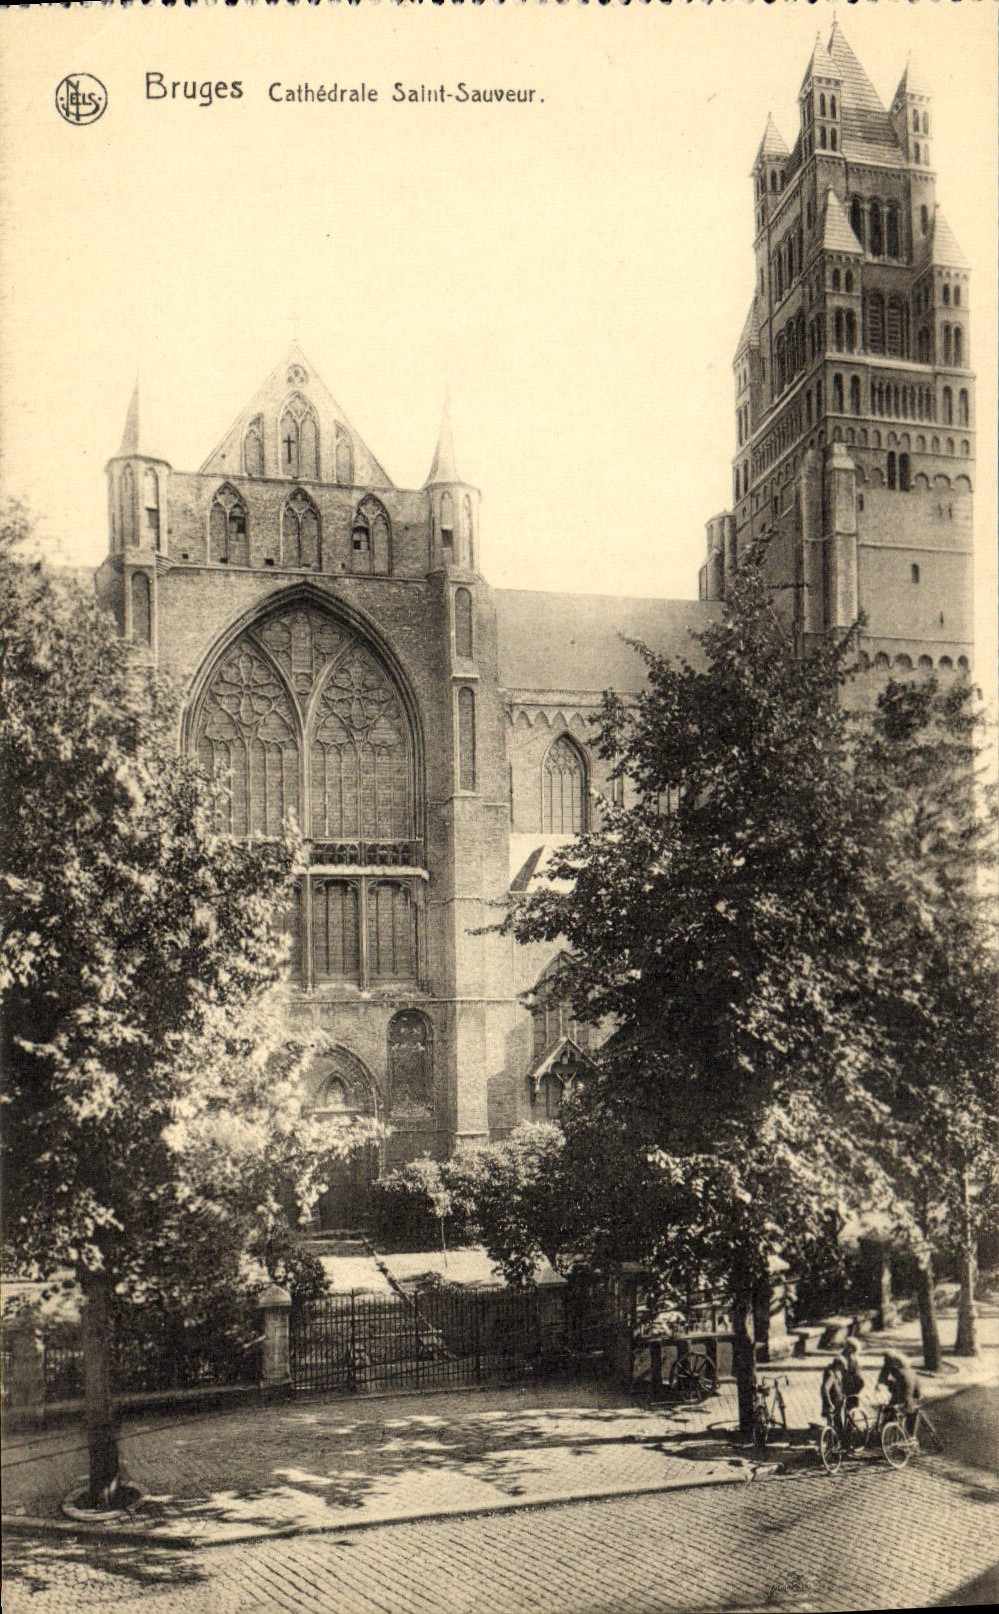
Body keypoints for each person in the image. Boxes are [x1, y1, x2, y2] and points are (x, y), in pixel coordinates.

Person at [877, 1349, 921, 1434]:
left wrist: (890, 1385)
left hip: (900, 1403)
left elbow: (883, 1380)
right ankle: (910, 1436)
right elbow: (918, 1393)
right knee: (913, 1414)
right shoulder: (912, 1373)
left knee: (888, 1410)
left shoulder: (898, 1373)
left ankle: (884, 1433)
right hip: (908, 1403)